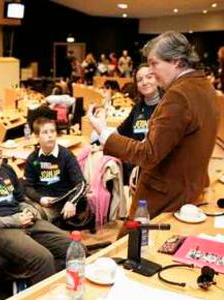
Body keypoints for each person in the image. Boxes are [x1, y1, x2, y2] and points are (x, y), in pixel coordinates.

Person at [88, 31, 219, 219]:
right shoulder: (205, 86)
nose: (151, 72)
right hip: (189, 189)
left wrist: (103, 132)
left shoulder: (178, 95)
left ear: (176, 61)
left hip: (164, 197)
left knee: (132, 246)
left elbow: (148, 154)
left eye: (154, 63)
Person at [0, 123, 73, 286]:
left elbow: (21, 200)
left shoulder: (7, 169)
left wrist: (30, 210)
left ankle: (60, 287)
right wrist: (14, 220)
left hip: (23, 221)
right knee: (43, 258)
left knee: (72, 246)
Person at [23, 117, 88, 228]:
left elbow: (81, 184)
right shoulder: (32, 158)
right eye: (45, 132)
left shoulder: (66, 155)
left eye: (52, 131)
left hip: (62, 202)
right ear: (36, 137)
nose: (50, 135)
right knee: (23, 215)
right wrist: (40, 199)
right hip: (41, 202)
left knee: (35, 222)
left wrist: (72, 202)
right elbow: (27, 186)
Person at [116, 64, 161, 184]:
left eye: (149, 77)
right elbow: (120, 131)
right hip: (134, 167)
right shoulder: (138, 107)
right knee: (140, 203)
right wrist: (99, 137)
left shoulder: (167, 105)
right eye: (140, 80)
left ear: (157, 78)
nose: (144, 82)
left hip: (156, 170)